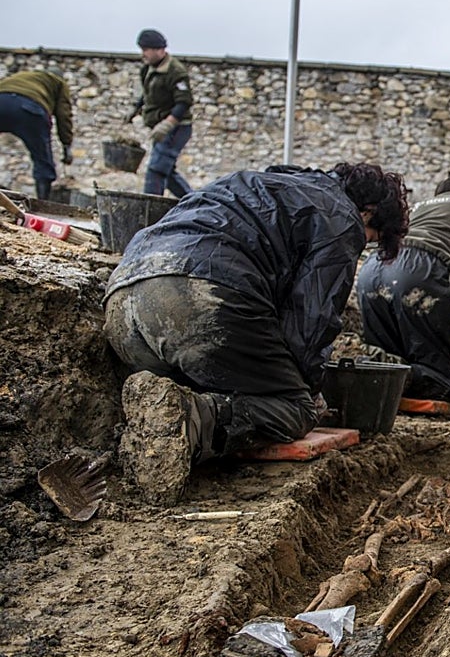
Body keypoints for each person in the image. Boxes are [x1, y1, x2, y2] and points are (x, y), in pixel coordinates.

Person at [104, 162, 409, 502]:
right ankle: (191, 421)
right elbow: (310, 322)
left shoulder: (269, 183)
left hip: (122, 300)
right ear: (369, 212)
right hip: (197, 297)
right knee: (296, 409)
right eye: (370, 239)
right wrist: (308, 389)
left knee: (211, 380)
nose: (362, 244)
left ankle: (153, 422)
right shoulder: (342, 218)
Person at [357, 169, 450, 404]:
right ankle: (414, 382)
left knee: (384, 364)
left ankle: (383, 387)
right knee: (439, 380)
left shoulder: (419, 207)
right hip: (422, 271)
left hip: (372, 270)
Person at [129, 28, 193, 197]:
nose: (143, 54)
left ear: (159, 50)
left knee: (156, 170)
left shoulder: (175, 71)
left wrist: (168, 124)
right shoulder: (147, 70)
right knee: (168, 173)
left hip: (177, 127)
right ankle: (197, 203)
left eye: (146, 50)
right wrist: (136, 109)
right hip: (159, 126)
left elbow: (184, 102)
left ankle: (149, 208)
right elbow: (148, 93)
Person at [0, 69, 74, 200]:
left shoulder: (20, 75)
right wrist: (66, 144)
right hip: (29, 110)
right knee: (42, 159)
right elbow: (64, 114)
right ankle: (42, 203)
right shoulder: (59, 83)